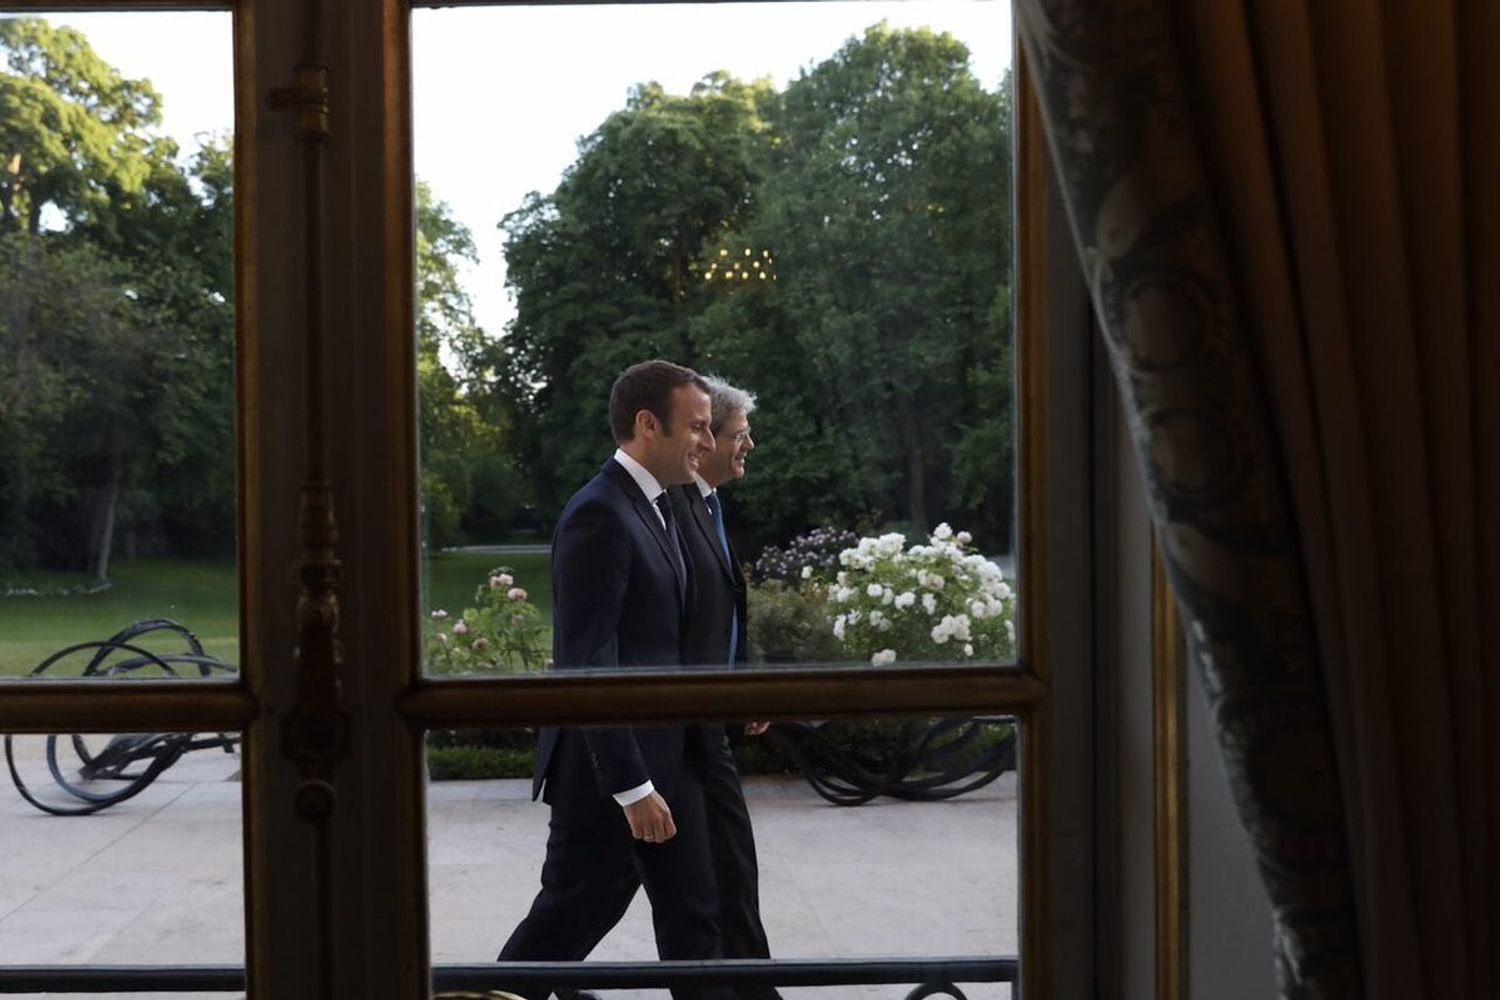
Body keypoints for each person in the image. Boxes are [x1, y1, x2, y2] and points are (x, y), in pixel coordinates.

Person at [497, 359, 733, 1000]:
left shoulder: (660, 504)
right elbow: (588, 661)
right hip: (610, 777)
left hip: (671, 762)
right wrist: (632, 789)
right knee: (564, 924)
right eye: (698, 426)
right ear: (648, 424)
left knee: (697, 923)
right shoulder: (598, 513)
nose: (707, 441)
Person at [666, 376, 783, 1000]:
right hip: (676, 738)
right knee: (584, 901)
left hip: (708, 727)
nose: (748, 446)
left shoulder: (708, 506)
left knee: (731, 875)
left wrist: (744, 684)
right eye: (739, 434)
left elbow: (723, 613)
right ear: (705, 441)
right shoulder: (672, 510)